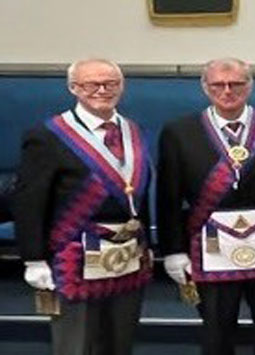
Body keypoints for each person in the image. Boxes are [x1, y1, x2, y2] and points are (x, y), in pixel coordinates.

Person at [156, 57, 255, 355]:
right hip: (209, 243)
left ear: (250, 86)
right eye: (218, 84)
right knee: (216, 331)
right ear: (205, 87)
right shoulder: (179, 132)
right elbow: (168, 197)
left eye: (236, 84)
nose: (227, 91)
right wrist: (173, 250)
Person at [15, 58, 152, 355]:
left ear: (122, 87)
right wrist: (33, 259)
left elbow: (136, 192)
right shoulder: (48, 135)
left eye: (111, 83)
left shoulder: (133, 130)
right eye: (92, 84)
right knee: (77, 345)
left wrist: (148, 245)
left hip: (127, 255)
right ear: (74, 88)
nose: (103, 90)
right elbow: (30, 201)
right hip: (74, 257)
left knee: (120, 342)